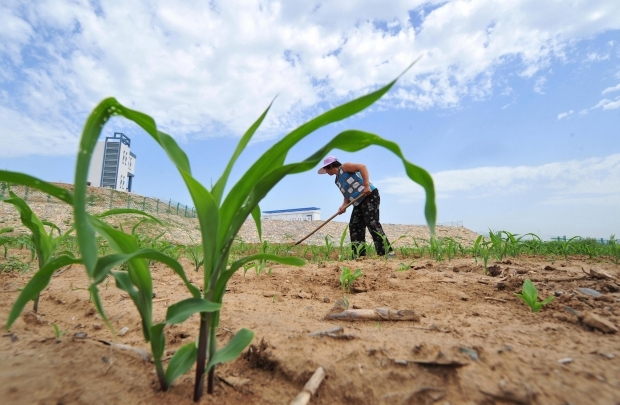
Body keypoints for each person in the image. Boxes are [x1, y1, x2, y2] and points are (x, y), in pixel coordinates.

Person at [318, 156, 393, 258]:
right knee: (354, 225)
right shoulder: (337, 180)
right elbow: (346, 194)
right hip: (358, 202)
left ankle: (387, 253)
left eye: (326, 169)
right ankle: (359, 255)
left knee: (372, 223)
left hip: (368, 195)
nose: (326, 172)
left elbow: (362, 167)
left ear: (331, 166)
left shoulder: (345, 167)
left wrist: (366, 185)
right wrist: (344, 205)